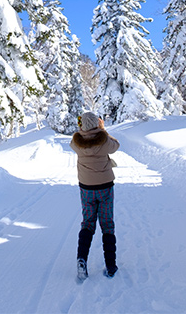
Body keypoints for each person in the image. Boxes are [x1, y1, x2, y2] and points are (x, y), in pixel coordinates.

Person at [70, 111, 120, 280]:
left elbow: (77, 135)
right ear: (97, 124)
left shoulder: (76, 143)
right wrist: (103, 130)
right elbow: (116, 145)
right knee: (107, 224)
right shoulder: (104, 140)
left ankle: (81, 259)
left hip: (86, 188)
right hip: (105, 187)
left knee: (88, 224)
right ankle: (111, 265)